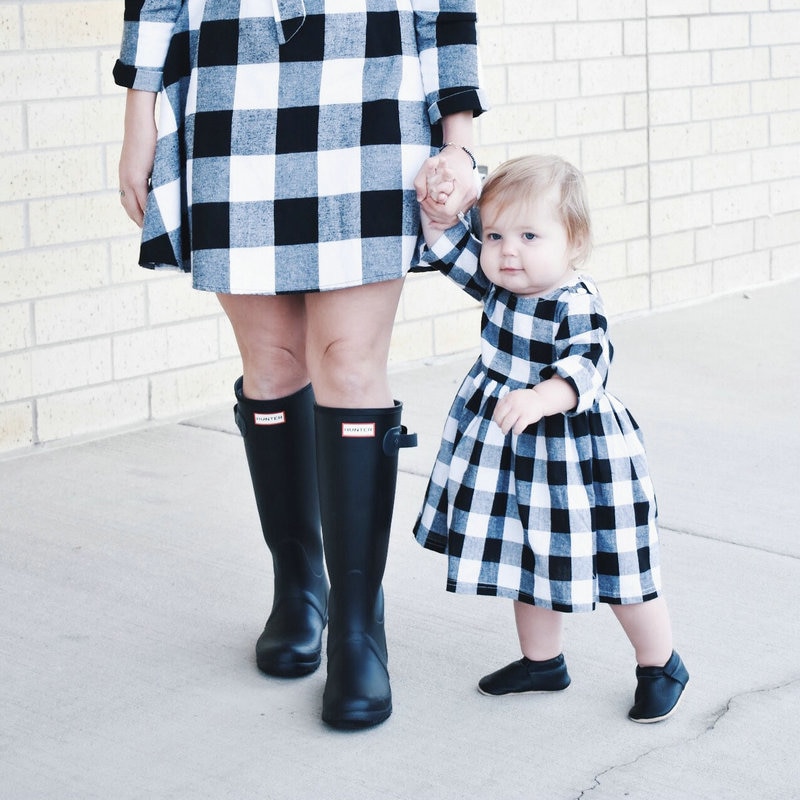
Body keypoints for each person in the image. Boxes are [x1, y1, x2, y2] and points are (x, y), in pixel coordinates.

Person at [114, 0, 488, 730]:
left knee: (349, 364)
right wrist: (138, 114)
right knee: (274, 362)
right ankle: (299, 586)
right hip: (230, 74)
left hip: (372, 82)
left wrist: (459, 141)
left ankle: (356, 626)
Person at [413, 154, 689, 723]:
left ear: (574, 241)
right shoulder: (501, 285)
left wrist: (542, 396)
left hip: (577, 454)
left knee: (616, 560)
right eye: (494, 234)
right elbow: (443, 242)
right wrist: (441, 204)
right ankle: (542, 662)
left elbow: (590, 362)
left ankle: (659, 662)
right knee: (522, 552)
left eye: (529, 235)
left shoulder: (575, 300)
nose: (507, 249)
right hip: (513, 451)